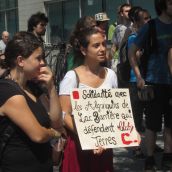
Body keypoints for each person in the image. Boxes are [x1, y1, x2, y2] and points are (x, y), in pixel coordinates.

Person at [0, 31, 63, 172]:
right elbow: (38, 135)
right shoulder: (7, 91)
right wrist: (53, 133)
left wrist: (51, 87)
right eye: (38, 58)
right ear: (21, 61)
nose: (43, 63)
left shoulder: (33, 87)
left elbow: (57, 121)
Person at [59, 25, 118, 172]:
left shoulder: (111, 74)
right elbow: (64, 114)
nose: (103, 49)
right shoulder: (72, 77)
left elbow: (116, 110)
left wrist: (127, 131)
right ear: (84, 50)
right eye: (96, 45)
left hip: (104, 146)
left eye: (104, 44)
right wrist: (89, 137)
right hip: (79, 146)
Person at [129, 0, 172, 170]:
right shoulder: (151, 26)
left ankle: (168, 157)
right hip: (154, 82)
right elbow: (132, 51)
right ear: (162, 5)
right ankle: (150, 159)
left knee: (170, 124)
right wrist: (139, 77)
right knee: (153, 125)